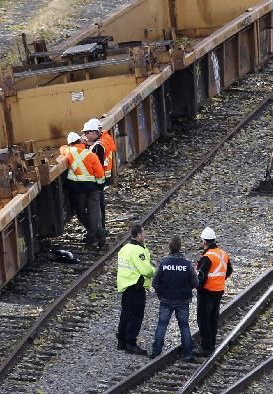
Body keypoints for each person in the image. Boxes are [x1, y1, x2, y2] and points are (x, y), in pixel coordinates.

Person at [149, 235, 197, 362]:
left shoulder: (164, 263)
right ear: (180, 247)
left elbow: (155, 283)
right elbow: (195, 282)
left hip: (166, 300)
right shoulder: (187, 264)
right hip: (183, 300)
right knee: (184, 326)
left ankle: (156, 352)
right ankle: (188, 354)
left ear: (169, 248)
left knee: (162, 325)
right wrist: (187, 290)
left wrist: (161, 294)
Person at [59, 131, 106, 249]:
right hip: (92, 188)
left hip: (77, 190)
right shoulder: (91, 155)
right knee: (93, 212)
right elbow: (100, 174)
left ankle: (94, 234)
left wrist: (67, 147)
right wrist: (99, 187)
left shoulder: (68, 151)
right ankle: (96, 234)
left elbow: (61, 148)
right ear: (81, 142)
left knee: (80, 212)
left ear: (70, 144)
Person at [116, 223, 155, 355]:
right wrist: (155, 271)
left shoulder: (124, 248)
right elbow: (147, 270)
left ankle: (121, 341)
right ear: (138, 235)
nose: (145, 236)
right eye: (143, 233)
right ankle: (130, 343)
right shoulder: (137, 250)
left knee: (125, 313)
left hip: (126, 286)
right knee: (136, 315)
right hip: (136, 287)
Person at [195, 226, 232, 358]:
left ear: (204, 242)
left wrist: (198, 288)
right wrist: (220, 279)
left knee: (204, 320)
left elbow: (201, 276)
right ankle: (211, 345)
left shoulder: (207, 257)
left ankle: (206, 347)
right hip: (218, 290)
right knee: (213, 319)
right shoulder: (223, 254)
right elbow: (228, 271)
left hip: (207, 292)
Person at [83, 118, 116, 229]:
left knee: (98, 206)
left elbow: (94, 162)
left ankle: (100, 228)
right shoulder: (104, 139)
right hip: (103, 178)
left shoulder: (98, 146)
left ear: (94, 132)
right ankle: (102, 227)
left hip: (98, 180)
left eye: (87, 133)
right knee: (100, 205)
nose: (85, 135)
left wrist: (86, 146)